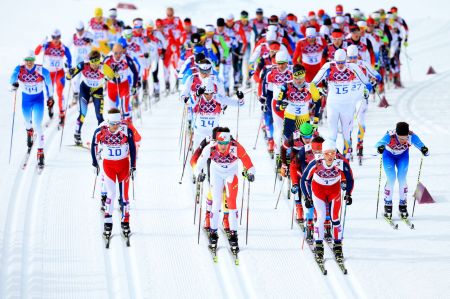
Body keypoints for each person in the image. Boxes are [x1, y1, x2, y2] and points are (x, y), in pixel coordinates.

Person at [194, 127, 255, 252]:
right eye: (221, 143)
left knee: (231, 203)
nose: (223, 146)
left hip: (231, 174)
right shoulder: (210, 147)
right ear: (217, 141)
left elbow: (248, 162)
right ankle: (213, 234)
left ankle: (234, 236)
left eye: (225, 143)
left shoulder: (235, 147)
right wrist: (198, 174)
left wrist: (251, 173)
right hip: (216, 173)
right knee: (216, 204)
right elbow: (198, 165)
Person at [311, 48, 371, 158]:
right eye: (338, 63)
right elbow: (313, 83)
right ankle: (331, 158)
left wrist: (366, 91)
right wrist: (319, 90)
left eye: (342, 62)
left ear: (346, 60)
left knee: (346, 133)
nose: (340, 65)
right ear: (334, 60)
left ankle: (346, 159)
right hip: (333, 104)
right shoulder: (328, 66)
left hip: (348, 104)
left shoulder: (352, 67)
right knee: (332, 134)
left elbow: (367, 83)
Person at [301, 140, 354, 262]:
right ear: (322, 154)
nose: (330, 156)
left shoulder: (340, 162)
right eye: (327, 154)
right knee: (321, 217)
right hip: (318, 190)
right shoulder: (316, 162)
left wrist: (349, 194)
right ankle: (318, 246)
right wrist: (307, 197)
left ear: (335, 153)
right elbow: (304, 179)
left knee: (335, 218)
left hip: (334, 191)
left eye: (332, 153)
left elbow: (350, 178)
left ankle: (338, 246)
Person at [91, 108, 137, 237]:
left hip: (123, 165)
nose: (115, 127)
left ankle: (125, 222)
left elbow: (133, 147)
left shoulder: (126, 130)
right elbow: (93, 144)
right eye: (112, 124)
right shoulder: (101, 130)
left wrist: (133, 166)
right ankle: (108, 222)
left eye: (117, 123)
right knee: (111, 193)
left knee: (125, 197)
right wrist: (94, 162)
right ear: (108, 122)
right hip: (109, 166)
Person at [375, 122, 428, 219]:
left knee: (402, 179)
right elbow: (377, 145)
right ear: (396, 135)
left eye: (405, 138)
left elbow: (422, 146)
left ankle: (402, 204)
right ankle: (388, 204)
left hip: (403, 157)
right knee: (391, 178)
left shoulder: (412, 136)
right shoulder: (390, 136)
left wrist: (424, 150)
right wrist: (380, 148)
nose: (403, 140)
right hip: (389, 157)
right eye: (400, 138)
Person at [10, 50, 53, 167]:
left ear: (34, 60)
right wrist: (14, 84)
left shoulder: (41, 70)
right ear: (24, 61)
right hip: (26, 101)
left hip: (38, 100)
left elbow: (49, 83)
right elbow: (12, 78)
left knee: (38, 125)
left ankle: (40, 153)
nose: (29, 63)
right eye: (27, 60)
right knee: (27, 121)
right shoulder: (19, 69)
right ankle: (29, 132)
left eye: (31, 60)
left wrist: (51, 97)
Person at [346, 45, 381, 160]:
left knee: (361, 120)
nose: (352, 60)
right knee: (348, 123)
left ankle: (360, 144)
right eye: (350, 58)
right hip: (349, 99)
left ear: (358, 56)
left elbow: (376, 75)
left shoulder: (363, 64)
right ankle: (348, 145)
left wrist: (374, 81)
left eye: (354, 57)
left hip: (361, 98)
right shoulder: (344, 66)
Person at [66, 50, 105, 145]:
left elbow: (114, 77)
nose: (95, 66)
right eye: (93, 63)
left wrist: (115, 72)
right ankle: (77, 133)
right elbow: (68, 77)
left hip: (98, 91)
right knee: (83, 113)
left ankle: (103, 137)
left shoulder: (103, 66)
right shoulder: (83, 65)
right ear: (89, 61)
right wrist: (69, 72)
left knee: (99, 116)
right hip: (85, 90)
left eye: (97, 63)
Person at [35, 29, 72, 126]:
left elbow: (69, 57)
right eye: (54, 37)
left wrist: (69, 65)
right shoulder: (47, 45)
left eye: (58, 37)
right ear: (51, 37)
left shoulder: (63, 47)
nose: (55, 39)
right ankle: (50, 107)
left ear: (60, 37)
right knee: (49, 94)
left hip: (59, 73)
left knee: (60, 94)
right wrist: (41, 44)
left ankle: (62, 113)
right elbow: (36, 52)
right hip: (48, 74)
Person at [276, 64, 321, 141]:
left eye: (301, 78)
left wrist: (315, 122)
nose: (299, 81)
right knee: (287, 144)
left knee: (304, 145)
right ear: (293, 76)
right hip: (290, 120)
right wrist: (281, 106)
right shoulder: (286, 86)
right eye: (296, 78)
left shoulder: (311, 87)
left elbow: (318, 103)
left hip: (304, 120)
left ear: (304, 76)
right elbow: (277, 107)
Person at [102, 43, 139, 121]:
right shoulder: (108, 59)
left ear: (122, 51)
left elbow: (135, 72)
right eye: (116, 53)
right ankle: (114, 130)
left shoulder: (126, 59)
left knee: (124, 108)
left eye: (120, 53)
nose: (118, 55)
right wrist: (110, 75)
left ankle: (128, 126)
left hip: (123, 86)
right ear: (112, 52)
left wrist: (134, 86)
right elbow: (102, 73)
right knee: (112, 112)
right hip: (111, 86)